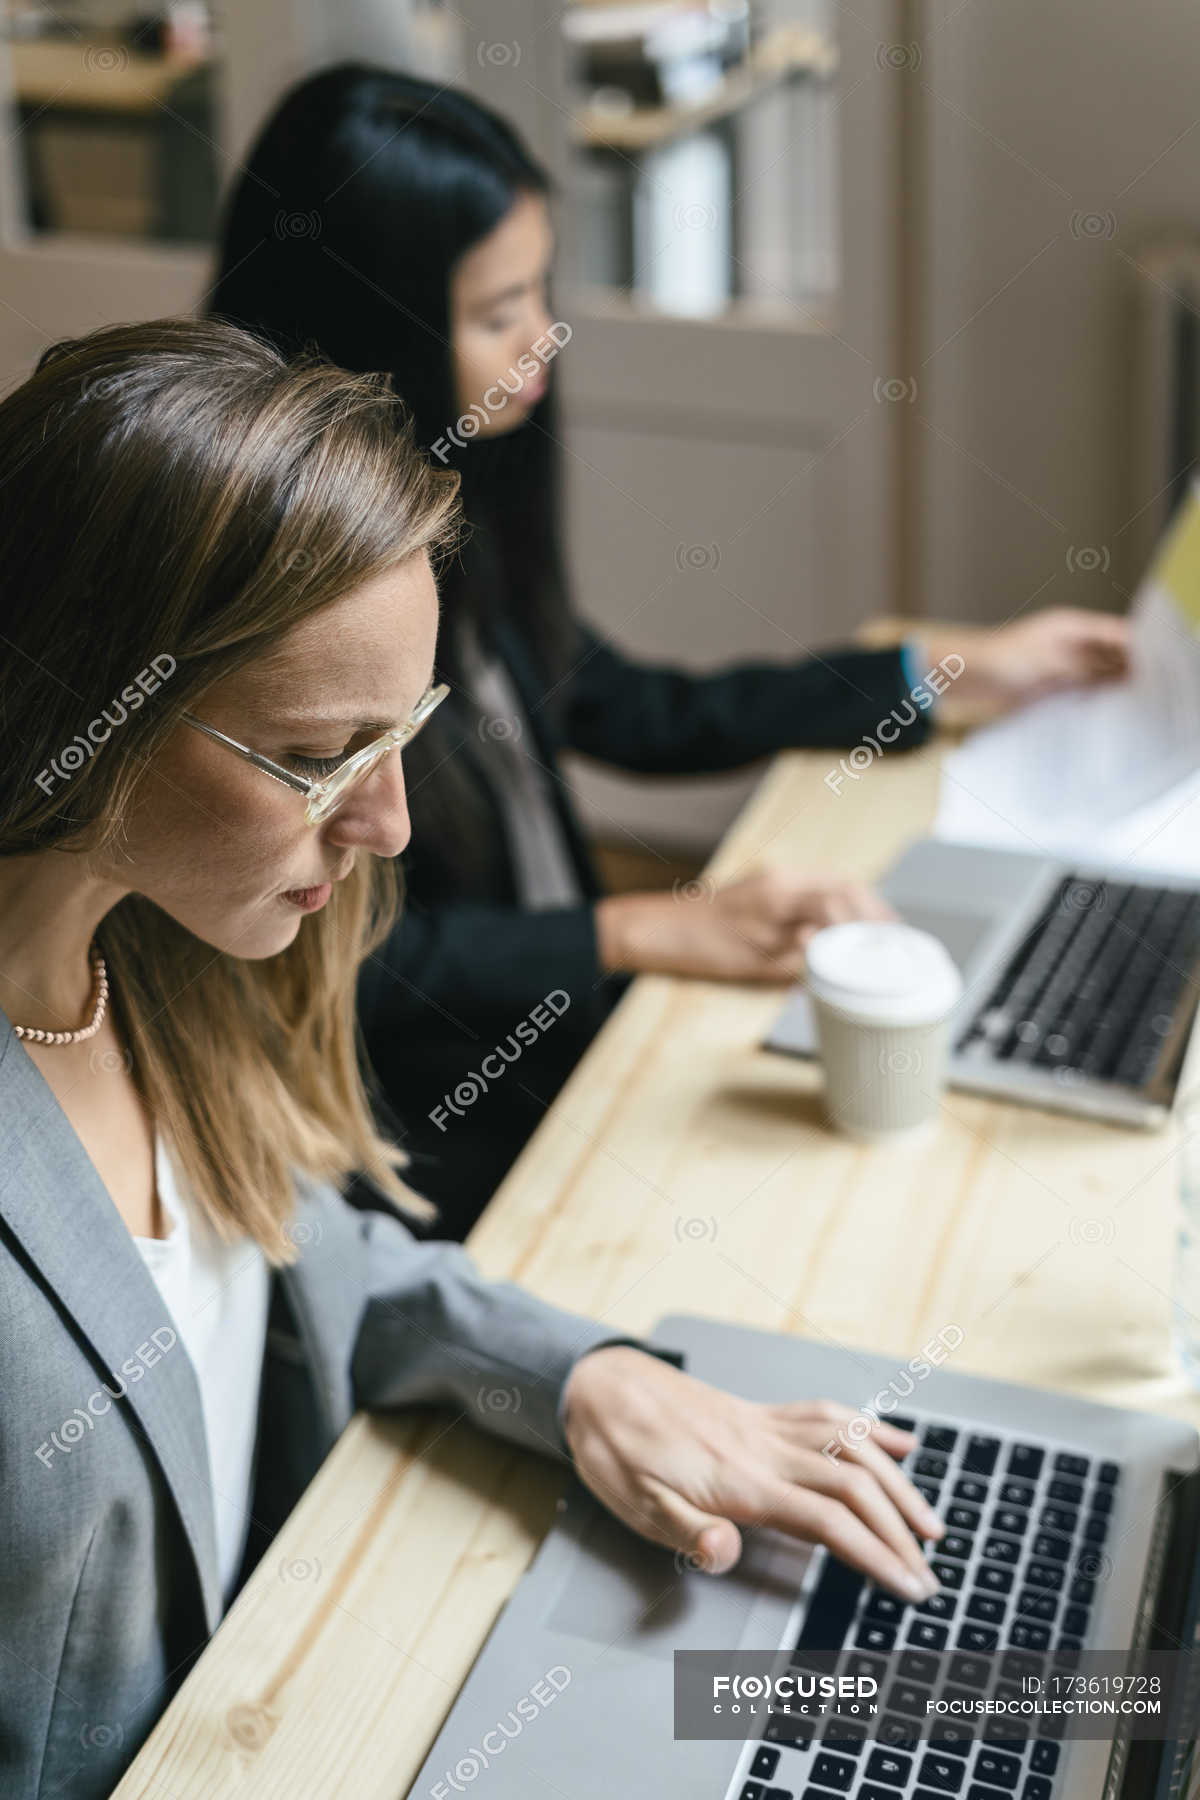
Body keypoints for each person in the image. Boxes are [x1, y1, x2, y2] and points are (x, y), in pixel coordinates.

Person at [0, 317, 947, 1799]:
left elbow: (298, 1254)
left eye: (409, 731)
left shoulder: (168, 949)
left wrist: (586, 1382)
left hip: (335, 1682)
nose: (389, 825)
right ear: (82, 704)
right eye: (319, 757)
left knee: (989, 1706)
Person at [210, 65, 1131, 1235]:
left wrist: (928, 676)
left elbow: (620, 704)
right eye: (499, 314)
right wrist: (639, 930)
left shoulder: (456, 482)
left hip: (562, 1037)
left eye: (539, 290)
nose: (545, 338)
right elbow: (322, 961)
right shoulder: (275, 582)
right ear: (373, 325)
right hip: (418, 1134)